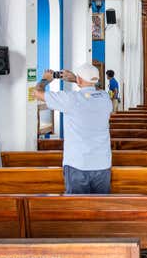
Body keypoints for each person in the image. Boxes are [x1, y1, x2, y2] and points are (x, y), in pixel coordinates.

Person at [33, 64, 113, 193]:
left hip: (77, 163)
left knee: (77, 209)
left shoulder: (71, 98)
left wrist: (45, 80)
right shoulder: (105, 98)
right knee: (101, 208)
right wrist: (76, 79)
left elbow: (37, 93)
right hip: (102, 164)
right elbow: (94, 88)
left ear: (79, 80)